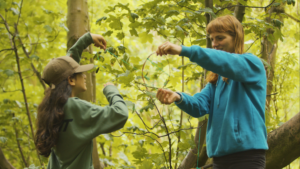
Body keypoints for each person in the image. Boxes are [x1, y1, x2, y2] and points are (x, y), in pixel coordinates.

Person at [156, 15, 268, 169]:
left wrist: (183, 50)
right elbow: (199, 106)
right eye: (212, 39)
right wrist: (178, 97)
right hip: (219, 160)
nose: (215, 44)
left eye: (220, 38)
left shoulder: (252, 65)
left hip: (247, 158)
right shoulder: (217, 81)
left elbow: (226, 61)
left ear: (236, 38)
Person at [34, 32, 129, 169]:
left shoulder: (51, 109)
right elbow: (121, 114)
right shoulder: (77, 108)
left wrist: (87, 39)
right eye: (81, 72)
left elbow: (65, 66)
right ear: (71, 80)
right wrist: (111, 90)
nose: (85, 76)